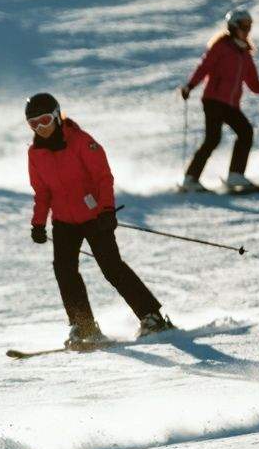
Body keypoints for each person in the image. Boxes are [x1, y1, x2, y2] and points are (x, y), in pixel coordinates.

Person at [26, 94, 175, 350]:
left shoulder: (82, 142)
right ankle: (83, 325)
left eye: (46, 120)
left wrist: (107, 210)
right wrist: (38, 223)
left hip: (95, 217)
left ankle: (151, 316)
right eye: (34, 124)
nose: (41, 128)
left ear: (57, 116)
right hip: (63, 221)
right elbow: (42, 192)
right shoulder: (35, 153)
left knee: (111, 267)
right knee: (64, 271)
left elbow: (102, 177)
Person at [179, 8, 259, 193]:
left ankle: (235, 175)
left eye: (249, 26)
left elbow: (254, 85)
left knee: (245, 132)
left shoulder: (245, 54)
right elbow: (204, 67)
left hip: (230, 104)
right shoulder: (222, 46)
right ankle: (190, 179)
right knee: (213, 138)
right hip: (213, 99)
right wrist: (190, 86)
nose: (247, 31)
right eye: (244, 26)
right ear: (233, 27)